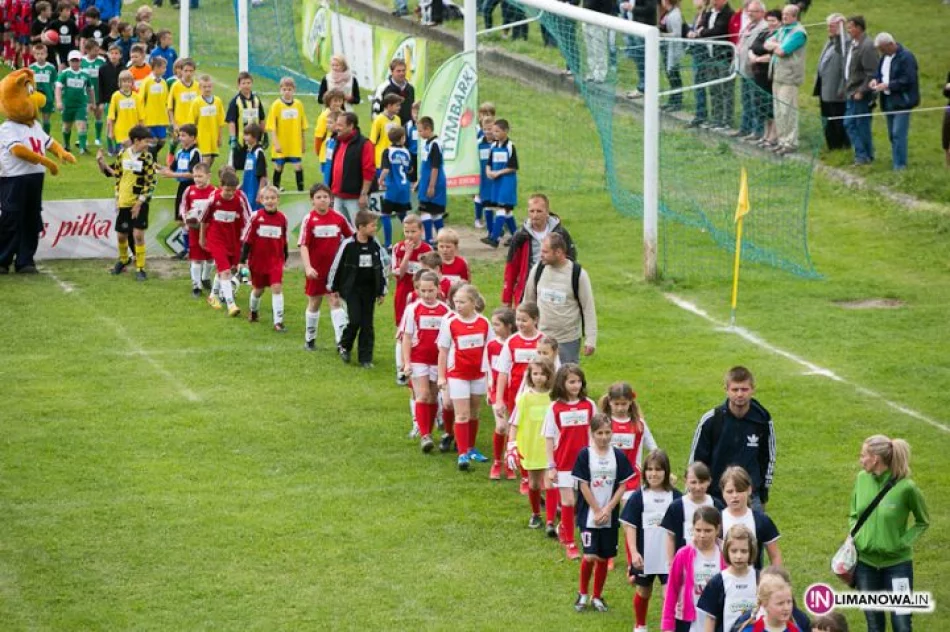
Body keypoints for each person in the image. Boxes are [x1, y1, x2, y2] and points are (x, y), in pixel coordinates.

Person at [852, 435, 928, 632]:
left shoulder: (906, 488)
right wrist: (857, 537)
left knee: (901, 624)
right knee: (874, 625)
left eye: (863, 456)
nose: (860, 460)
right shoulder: (861, 479)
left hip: (898, 566)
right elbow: (854, 514)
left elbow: (922, 521)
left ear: (875, 458)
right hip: (866, 565)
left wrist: (902, 543)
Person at [573, 414, 636, 614]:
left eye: (607, 432)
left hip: (608, 518)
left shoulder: (617, 456)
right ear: (592, 434)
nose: (603, 437)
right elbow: (583, 485)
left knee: (603, 557)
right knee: (590, 555)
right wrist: (597, 510)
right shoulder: (585, 455)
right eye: (599, 433)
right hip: (589, 516)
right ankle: (582, 593)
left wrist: (608, 509)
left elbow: (623, 485)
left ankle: (597, 596)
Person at [688, 365, 774, 509]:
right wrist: (694, 494)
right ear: (726, 390)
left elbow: (768, 458)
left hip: (750, 497)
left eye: (744, 389)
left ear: (752, 389)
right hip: (716, 497)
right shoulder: (711, 420)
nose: (740, 394)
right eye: (735, 389)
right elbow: (697, 462)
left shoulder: (762, 421)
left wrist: (763, 492)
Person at [620, 450, 681, 632]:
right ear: (644, 472)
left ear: (666, 472)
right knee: (643, 591)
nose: (654, 474)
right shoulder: (639, 496)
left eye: (659, 470)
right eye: (650, 469)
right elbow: (629, 525)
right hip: (646, 555)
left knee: (668, 595)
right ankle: (640, 625)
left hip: (669, 556)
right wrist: (634, 552)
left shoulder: (676, 497)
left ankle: (668, 627)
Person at [543, 363, 597, 560]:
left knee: (584, 501)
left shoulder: (589, 405)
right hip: (563, 462)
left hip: (586, 463)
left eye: (578, 381)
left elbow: (596, 433)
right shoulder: (554, 408)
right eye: (571, 382)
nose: (575, 385)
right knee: (568, 501)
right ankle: (570, 542)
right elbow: (549, 437)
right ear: (561, 383)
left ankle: (577, 533)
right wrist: (551, 465)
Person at [437, 284, 491, 471]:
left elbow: (490, 350)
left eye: (462, 302)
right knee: (462, 414)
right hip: (458, 374)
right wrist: (442, 377)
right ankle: (462, 455)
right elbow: (443, 351)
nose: (457, 305)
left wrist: (490, 375)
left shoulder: (484, 323)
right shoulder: (450, 322)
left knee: (474, 413)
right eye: (456, 301)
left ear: (474, 302)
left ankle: (471, 448)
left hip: (478, 374)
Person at [523, 233, 597, 364]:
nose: (541, 255)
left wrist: (591, 339)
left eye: (545, 252)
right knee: (540, 378)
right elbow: (528, 302)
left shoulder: (577, 274)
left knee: (565, 380)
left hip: (568, 340)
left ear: (558, 252)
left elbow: (588, 307)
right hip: (541, 338)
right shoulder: (538, 269)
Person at [328, 210, 387, 369]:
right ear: (361, 227)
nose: (375, 228)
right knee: (355, 321)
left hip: (369, 290)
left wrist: (382, 290)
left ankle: (365, 358)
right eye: (372, 225)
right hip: (352, 289)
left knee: (367, 324)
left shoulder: (375, 244)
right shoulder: (348, 244)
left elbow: (381, 267)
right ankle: (344, 345)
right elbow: (337, 265)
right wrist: (332, 287)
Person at [95, 124, 155, 281]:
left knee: (138, 235)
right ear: (136, 140)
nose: (147, 145)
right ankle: (123, 260)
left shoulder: (147, 158)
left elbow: (150, 183)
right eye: (145, 141)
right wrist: (101, 163)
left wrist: (139, 203)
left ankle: (140, 267)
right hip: (124, 202)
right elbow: (117, 174)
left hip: (139, 203)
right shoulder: (123, 154)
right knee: (121, 235)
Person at [298, 183, 353, 351]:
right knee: (314, 302)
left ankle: (340, 341)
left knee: (334, 299)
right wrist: (308, 267)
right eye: (318, 197)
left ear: (331, 199)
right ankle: (310, 338)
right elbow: (304, 245)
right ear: (312, 201)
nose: (323, 200)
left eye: (325, 197)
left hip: (334, 270)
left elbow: (352, 238)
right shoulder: (309, 220)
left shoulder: (339, 218)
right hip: (315, 270)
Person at [401, 271, 451, 452]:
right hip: (418, 359)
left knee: (432, 396)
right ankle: (425, 435)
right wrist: (406, 363)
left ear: (438, 289)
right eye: (423, 291)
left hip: (437, 361)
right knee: (421, 395)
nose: (427, 295)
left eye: (431, 290)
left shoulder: (446, 311)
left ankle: (428, 430)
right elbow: (406, 337)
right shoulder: (412, 309)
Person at [506, 358, 557, 527]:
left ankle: (550, 520)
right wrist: (511, 445)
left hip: (550, 447)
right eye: (535, 373)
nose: (539, 377)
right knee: (534, 483)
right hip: (531, 446)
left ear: (550, 375)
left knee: (550, 483)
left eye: (543, 374)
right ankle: (536, 513)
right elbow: (514, 422)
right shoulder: (525, 398)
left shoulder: (554, 398)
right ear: (529, 375)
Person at [501, 193, 576, 307]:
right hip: (528, 288)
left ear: (547, 212)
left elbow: (571, 260)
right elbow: (511, 267)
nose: (535, 215)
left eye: (539, 211)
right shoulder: (521, 236)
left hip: (554, 286)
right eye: (532, 211)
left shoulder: (560, 234)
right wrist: (507, 299)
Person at [661, 506, 724, 632]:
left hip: (718, 619)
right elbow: (672, 589)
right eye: (698, 530)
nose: (702, 535)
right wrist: (667, 624)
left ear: (717, 529)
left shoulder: (726, 554)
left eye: (708, 530)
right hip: (688, 620)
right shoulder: (683, 554)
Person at [492, 302, 543, 459]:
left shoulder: (544, 341)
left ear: (535, 320)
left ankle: (532, 462)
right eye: (518, 320)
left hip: (539, 394)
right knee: (515, 427)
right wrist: (499, 399)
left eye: (524, 320)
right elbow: (502, 372)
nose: (520, 324)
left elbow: (554, 370)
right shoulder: (512, 341)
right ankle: (506, 460)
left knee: (535, 428)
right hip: (515, 393)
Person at [200, 167, 252, 317]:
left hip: (232, 238)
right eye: (227, 190)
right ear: (221, 186)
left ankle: (213, 295)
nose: (229, 193)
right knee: (226, 271)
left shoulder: (239, 199)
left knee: (231, 268)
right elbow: (204, 220)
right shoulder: (213, 200)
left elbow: (248, 220)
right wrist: (202, 238)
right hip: (216, 238)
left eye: (232, 190)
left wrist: (247, 240)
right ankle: (231, 305)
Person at [241, 185, 288, 332]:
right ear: (261, 200)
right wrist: (242, 260)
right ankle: (253, 311)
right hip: (258, 260)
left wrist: (284, 257)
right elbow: (248, 239)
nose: (270, 201)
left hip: (275, 260)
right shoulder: (256, 217)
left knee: (277, 287)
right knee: (258, 290)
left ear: (278, 200)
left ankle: (278, 322)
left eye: (273, 198)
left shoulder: (282, 218)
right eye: (266, 198)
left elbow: (284, 240)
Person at [392, 215, 433, 382]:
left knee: (421, 329)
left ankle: (419, 364)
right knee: (403, 332)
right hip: (404, 293)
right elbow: (398, 274)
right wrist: (407, 255)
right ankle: (401, 370)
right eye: (406, 231)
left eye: (413, 231)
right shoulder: (398, 248)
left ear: (421, 231)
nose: (409, 235)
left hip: (423, 295)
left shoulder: (428, 249)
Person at [696, 524, 758, 632]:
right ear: (726, 551)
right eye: (734, 551)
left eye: (744, 551)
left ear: (751, 551)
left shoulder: (761, 579)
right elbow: (710, 618)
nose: (738, 556)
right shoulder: (717, 582)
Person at [870, 34, 919, 171]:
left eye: (882, 49)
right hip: (887, 100)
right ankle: (896, 159)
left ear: (890, 44)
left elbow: (908, 79)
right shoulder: (884, 57)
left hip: (902, 101)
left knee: (898, 133)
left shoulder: (906, 57)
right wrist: (875, 80)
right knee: (892, 134)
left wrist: (888, 85)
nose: (881, 52)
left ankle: (900, 166)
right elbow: (879, 73)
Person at [763, 4, 807, 154]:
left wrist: (775, 45)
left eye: (787, 15)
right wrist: (777, 44)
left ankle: (790, 142)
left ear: (795, 16)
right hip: (777, 75)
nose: (784, 17)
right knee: (779, 110)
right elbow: (766, 44)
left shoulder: (798, 33)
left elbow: (782, 51)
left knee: (787, 109)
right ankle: (781, 140)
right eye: (783, 14)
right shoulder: (782, 29)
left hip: (789, 76)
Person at [719, 466, 782, 570]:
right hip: (723, 583)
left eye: (739, 491)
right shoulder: (717, 521)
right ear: (722, 492)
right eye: (730, 491)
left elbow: (775, 556)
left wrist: (777, 580)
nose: (734, 496)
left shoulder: (761, 521)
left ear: (749, 490)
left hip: (754, 583)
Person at [660, 461, 723, 561]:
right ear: (686, 481)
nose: (697, 487)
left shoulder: (716, 506)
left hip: (711, 562)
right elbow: (670, 538)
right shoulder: (676, 507)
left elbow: (722, 538)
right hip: (684, 562)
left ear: (709, 481)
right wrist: (671, 563)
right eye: (693, 482)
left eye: (701, 482)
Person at [601, 381, 657, 494]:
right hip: (606, 474)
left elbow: (653, 447)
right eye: (616, 404)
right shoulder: (603, 422)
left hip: (631, 474)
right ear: (610, 401)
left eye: (624, 404)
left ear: (630, 402)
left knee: (629, 508)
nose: (620, 408)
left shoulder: (638, 424)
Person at [158, 123, 201, 264]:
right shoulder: (180, 152)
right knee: (180, 220)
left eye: (184, 136)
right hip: (182, 187)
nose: (181, 138)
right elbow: (171, 169)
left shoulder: (195, 152)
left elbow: (193, 173)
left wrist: (171, 174)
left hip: (192, 188)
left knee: (191, 220)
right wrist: (159, 168)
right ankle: (187, 248)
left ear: (193, 138)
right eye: (180, 135)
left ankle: (193, 249)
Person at [843, 15, 879, 167]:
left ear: (859, 28)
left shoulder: (867, 46)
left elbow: (872, 72)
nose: (848, 30)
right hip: (851, 91)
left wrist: (862, 90)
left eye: (850, 27)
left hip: (860, 94)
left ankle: (863, 156)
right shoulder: (853, 44)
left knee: (856, 124)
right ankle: (865, 155)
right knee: (853, 123)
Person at [695, 0, 734, 131]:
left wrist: (702, 32)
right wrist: (703, 30)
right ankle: (716, 118)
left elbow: (718, 31)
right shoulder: (709, 12)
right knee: (713, 89)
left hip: (723, 57)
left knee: (725, 90)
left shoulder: (728, 13)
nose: (714, 2)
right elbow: (701, 26)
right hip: (710, 55)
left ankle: (726, 120)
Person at [328, 112, 375, 222]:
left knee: (361, 231)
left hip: (355, 198)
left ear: (351, 126)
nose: (336, 128)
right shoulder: (338, 141)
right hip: (338, 196)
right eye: (336, 124)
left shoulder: (364, 144)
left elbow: (369, 171)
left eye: (340, 125)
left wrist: (363, 194)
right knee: (340, 230)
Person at [178, 162, 215, 298]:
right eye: (195, 176)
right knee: (196, 259)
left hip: (210, 230)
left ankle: (205, 278)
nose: (197, 179)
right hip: (194, 230)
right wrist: (186, 218)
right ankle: (196, 286)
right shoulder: (189, 190)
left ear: (208, 176)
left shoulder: (214, 192)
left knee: (211, 258)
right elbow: (183, 207)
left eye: (200, 176)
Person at [487, 306, 516, 479]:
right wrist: (489, 391)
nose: (494, 328)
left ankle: (510, 462)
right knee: (501, 426)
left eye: (497, 325)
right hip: (497, 391)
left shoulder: (516, 343)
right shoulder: (491, 345)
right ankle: (497, 462)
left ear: (509, 326)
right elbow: (488, 369)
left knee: (513, 430)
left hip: (514, 392)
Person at [813, 13, 850, 150]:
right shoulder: (829, 41)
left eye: (833, 26)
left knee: (838, 117)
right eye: (828, 26)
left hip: (836, 89)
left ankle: (842, 144)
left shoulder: (845, 43)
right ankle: (832, 144)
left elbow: (845, 66)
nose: (829, 28)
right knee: (827, 116)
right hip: (825, 86)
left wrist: (843, 87)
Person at [264, 76, 307, 192]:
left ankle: (301, 190)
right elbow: (272, 127)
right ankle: (275, 190)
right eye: (284, 89)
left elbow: (303, 126)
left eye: (289, 89)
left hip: (294, 144)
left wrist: (303, 142)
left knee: (298, 166)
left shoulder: (298, 105)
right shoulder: (276, 105)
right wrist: (276, 143)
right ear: (280, 90)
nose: (287, 92)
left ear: (294, 90)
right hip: (281, 143)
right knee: (279, 167)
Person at [481, 118, 519, 248]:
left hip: (507, 181)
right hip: (497, 182)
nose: (494, 134)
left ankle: (494, 238)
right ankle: (517, 237)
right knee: (507, 211)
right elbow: (489, 163)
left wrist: (498, 173)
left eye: (497, 131)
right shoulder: (493, 146)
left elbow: (513, 167)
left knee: (502, 208)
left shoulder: (510, 146)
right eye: (493, 131)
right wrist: (488, 171)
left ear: (505, 131)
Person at [734, 1, 767, 139]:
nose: (749, 13)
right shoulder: (749, 25)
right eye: (749, 11)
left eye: (753, 11)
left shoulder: (764, 27)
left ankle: (757, 130)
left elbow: (757, 47)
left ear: (761, 12)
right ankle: (745, 127)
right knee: (746, 100)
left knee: (756, 101)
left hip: (755, 70)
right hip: (744, 69)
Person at [748, 10, 780, 147]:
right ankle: (766, 133)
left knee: (770, 103)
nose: (771, 23)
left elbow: (773, 55)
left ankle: (773, 135)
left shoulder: (780, 35)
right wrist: (753, 57)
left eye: (774, 20)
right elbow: (752, 47)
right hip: (758, 73)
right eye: (769, 20)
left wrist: (758, 58)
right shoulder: (764, 32)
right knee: (762, 104)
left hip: (770, 74)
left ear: (780, 22)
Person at [377, 126, 411, 250]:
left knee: (385, 214)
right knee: (403, 215)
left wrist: (380, 180)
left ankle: (388, 244)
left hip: (393, 187)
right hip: (404, 187)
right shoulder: (407, 152)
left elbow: (385, 169)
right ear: (402, 139)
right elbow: (409, 169)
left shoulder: (388, 151)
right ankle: (411, 240)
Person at [54, 50, 94, 155]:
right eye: (72, 61)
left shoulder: (85, 74)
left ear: (80, 61)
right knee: (67, 126)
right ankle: (66, 145)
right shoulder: (65, 73)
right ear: (69, 61)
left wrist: (91, 102)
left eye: (77, 61)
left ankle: (82, 148)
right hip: (67, 105)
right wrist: (58, 101)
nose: (75, 63)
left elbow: (90, 89)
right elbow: (58, 88)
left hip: (81, 104)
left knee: (82, 125)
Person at [416, 116, 448, 245]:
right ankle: (443, 240)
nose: (419, 134)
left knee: (425, 210)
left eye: (420, 131)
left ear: (428, 129)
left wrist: (431, 186)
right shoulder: (428, 143)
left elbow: (435, 167)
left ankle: (429, 239)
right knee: (435, 213)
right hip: (427, 181)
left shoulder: (435, 144)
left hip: (433, 182)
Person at [225, 71, 266, 171]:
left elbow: (261, 118)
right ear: (239, 85)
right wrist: (233, 138)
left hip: (255, 140)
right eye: (243, 83)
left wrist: (264, 134)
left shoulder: (256, 100)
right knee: (234, 167)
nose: (246, 86)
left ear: (252, 84)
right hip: (240, 141)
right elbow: (231, 121)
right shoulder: (235, 101)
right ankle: (232, 185)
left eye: (248, 83)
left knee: (256, 166)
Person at [731, 574, 797, 632]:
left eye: (789, 602)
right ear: (764, 604)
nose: (786, 608)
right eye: (780, 603)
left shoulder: (795, 630)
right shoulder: (751, 630)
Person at [619, 0, 657, 99]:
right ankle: (643, 85)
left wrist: (633, 9)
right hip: (633, 26)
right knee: (638, 59)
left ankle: (643, 87)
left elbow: (651, 9)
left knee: (642, 59)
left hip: (643, 28)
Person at [190, 74, 225, 168]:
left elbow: (221, 122)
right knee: (205, 160)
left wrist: (220, 137)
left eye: (209, 86)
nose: (207, 89)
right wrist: (194, 138)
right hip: (202, 137)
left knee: (211, 159)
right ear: (200, 87)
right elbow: (192, 123)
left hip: (213, 136)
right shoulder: (196, 102)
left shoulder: (217, 101)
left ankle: (201, 178)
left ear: (212, 87)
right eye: (204, 87)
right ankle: (201, 179)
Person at [139, 55, 168, 159]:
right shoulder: (147, 82)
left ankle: (149, 156)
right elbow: (140, 100)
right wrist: (141, 117)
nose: (165, 70)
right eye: (163, 67)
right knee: (152, 140)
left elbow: (165, 101)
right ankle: (152, 161)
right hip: (149, 118)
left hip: (160, 118)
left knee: (162, 140)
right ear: (156, 67)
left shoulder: (164, 82)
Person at [658, 0, 685, 112]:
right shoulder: (668, 12)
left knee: (674, 75)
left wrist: (662, 35)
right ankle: (672, 99)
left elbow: (677, 33)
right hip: (666, 48)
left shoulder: (675, 14)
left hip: (673, 49)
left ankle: (677, 101)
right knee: (670, 75)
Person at [80, 40, 106, 149]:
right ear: (87, 50)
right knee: (84, 116)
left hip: (99, 93)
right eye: (95, 50)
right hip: (85, 94)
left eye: (98, 50)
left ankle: (98, 138)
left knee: (98, 114)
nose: (97, 52)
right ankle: (83, 138)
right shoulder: (82, 61)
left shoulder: (102, 61)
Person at [372, 59, 413, 124]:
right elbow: (375, 112)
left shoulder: (410, 88)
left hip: (406, 129)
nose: (402, 73)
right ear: (392, 72)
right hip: (388, 128)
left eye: (403, 70)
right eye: (398, 71)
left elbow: (412, 109)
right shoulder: (382, 88)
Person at [29, 43, 57, 136]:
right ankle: (37, 135)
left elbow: (54, 83)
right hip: (35, 97)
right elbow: (28, 83)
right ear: (34, 55)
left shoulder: (51, 68)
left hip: (47, 97)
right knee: (35, 118)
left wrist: (55, 96)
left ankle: (46, 137)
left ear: (46, 55)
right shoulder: (31, 68)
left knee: (46, 119)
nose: (40, 56)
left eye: (42, 54)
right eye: (37, 54)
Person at [240, 123, 267, 209]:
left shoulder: (258, 153)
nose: (244, 138)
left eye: (247, 135)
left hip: (254, 194)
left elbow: (263, 176)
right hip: (247, 192)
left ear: (255, 136)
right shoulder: (249, 153)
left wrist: (260, 194)